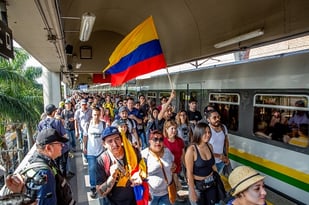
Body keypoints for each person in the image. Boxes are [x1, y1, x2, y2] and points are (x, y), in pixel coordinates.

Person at [5, 128, 75, 205]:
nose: (62, 146)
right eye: (60, 144)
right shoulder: (44, 173)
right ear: (48, 148)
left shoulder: (38, 161)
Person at [96, 126, 144, 205]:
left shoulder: (132, 151)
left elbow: (143, 167)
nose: (114, 144)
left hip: (135, 200)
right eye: (110, 141)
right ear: (104, 144)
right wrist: (112, 177)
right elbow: (100, 192)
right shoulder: (101, 160)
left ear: (121, 139)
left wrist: (139, 175)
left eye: (117, 139)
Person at [185, 122, 219, 205]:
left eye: (209, 132)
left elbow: (212, 165)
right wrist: (192, 190)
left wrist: (218, 180)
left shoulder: (210, 146)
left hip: (211, 184)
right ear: (199, 133)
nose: (208, 135)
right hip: (198, 187)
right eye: (205, 132)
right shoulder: (191, 150)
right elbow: (189, 172)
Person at [141, 130, 175, 205]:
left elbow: (172, 163)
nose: (158, 142)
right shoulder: (144, 154)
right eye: (155, 139)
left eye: (161, 139)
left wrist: (173, 166)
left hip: (166, 193)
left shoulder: (167, 151)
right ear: (150, 141)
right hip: (151, 195)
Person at [83, 107, 106, 198]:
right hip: (91, 152)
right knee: (92, 169)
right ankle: (93, 187)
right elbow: (85, 136)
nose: (96, 116)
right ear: (92, 115)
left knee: (101, 169)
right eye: (94, 114)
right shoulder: (88, 124)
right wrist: (84, 147)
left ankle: (101, 185)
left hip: (101, 151)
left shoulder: (103, 125)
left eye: (97, 114)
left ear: (100, 114)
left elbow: (105, 137)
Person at [163, 119, 185, 201]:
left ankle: (174, 196)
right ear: (166, 129)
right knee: (171, 185)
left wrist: (186, 169)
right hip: (167, 169)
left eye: (175, 128)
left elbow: (183, 156)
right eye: (172, 128)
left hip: (178, 167)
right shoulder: (163, 142)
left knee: (175, 185)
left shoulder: (180, 141)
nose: (174, 130)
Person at [207, 110, 230, 174]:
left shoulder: (223, 127)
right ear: (208, 119)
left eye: (218, 117)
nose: (217, 119)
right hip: (210, 162)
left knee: (217, 179)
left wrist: (226, 157)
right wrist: (219, 156)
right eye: (214, 117)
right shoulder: (206, 130)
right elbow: (203, 148)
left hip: (221, 162)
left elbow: (226, 143)